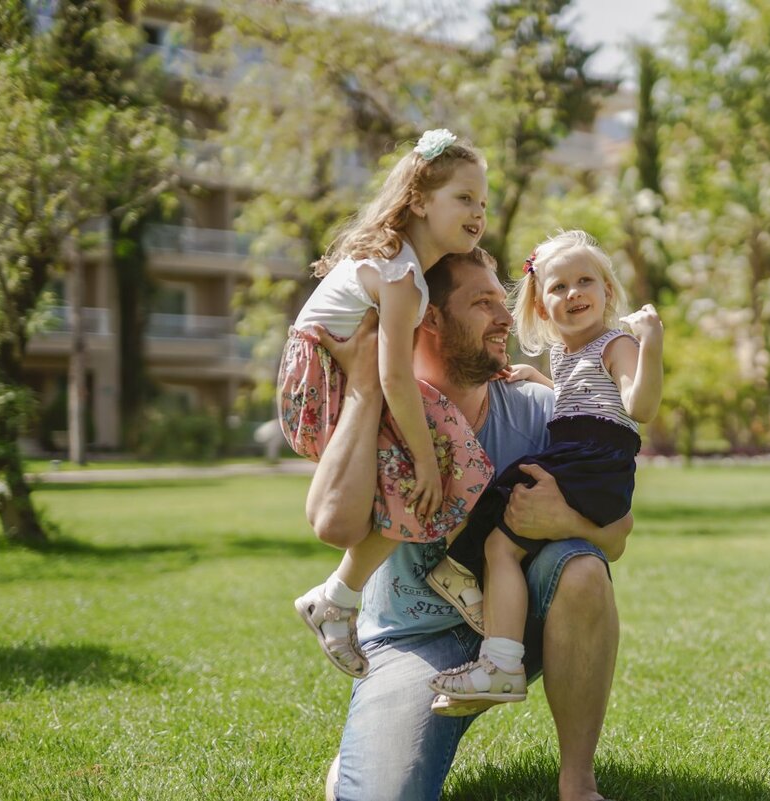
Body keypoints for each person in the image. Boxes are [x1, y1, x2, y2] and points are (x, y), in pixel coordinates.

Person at [306, 249, 631, 801]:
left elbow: (617, 536)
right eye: (483, 303)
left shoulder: (540, 409)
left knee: (581, 568)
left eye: (502, 301)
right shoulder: (379, 412)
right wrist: (366, 386)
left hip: (517, 625)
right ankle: (367, 752)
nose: (506, 317)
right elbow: (330, 521)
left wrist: (566, 519)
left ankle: (578, 783)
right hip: (411, 642)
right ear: (427, 316)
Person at [277, 129, 493, 678]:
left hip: (326, 378)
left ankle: (393, 579)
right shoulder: (400, 274)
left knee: (449, 446)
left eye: (483, 202)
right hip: (327, 385)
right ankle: (347, 596)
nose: (478, 212)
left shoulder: (403, 268)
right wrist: (423, 457)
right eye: (464, 198)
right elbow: (395, 377)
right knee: (430, 462)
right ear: (420, 200)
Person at [426, 230, 662, 709]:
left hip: (595, 462)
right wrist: (540, 380)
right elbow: (582, 400)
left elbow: (638, 405)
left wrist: (651, 344)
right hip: (579, 454)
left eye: (585, 282)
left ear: (607, 293)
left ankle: (499, 657)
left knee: (499, 524)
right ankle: (488, 626)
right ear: (539, 307)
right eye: (558, 287)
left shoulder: (619, 344)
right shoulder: (564, 353)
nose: (573, 293)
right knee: (498, 527)